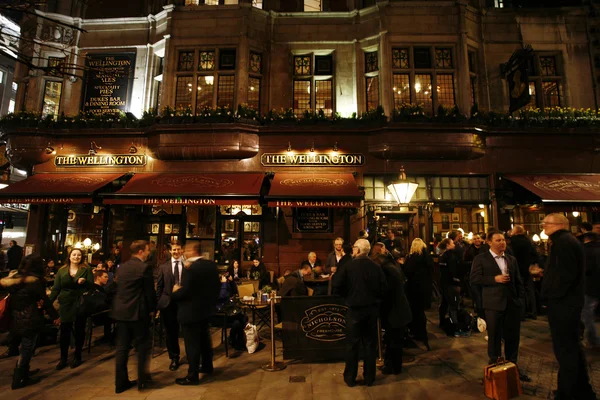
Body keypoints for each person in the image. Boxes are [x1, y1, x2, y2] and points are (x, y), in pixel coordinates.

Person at [541, 214, 596, 400]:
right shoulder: (567, 241)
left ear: (557, 225)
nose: (543, 225)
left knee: (566, 351)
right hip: (568, 303)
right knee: (572, 349)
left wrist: (550, 294)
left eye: (546, 223)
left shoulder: (563, 243)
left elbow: (565, 275)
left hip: (564, 305)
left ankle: (569, 393)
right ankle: (582, 390)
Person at [470, 231, 528, 381]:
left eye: (503, 240)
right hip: (493, 304)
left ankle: (512, 367)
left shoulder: (511, 259)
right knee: (494, 337)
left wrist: (520, 300)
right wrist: (494, 279)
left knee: (512, 337)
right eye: (498, 240)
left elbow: (518, 281)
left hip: (512, 304)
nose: (502, 242)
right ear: (489, 242)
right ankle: (495, 369)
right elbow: (475, 279)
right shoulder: (481, 259)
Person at [332, 238, 387, 387]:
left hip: (354, 310)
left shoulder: (349, 266)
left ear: (357, 249)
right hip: (371, 310)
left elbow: (336, 285)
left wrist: (347, 297)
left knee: (352, 344)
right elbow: (383, 288)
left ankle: (350, 377)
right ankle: (370, 377)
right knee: (370, 344)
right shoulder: (376, 267)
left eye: (354, 247)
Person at [1, 255, 60, 389]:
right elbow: (44, 300)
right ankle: (19, 378)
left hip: (15, 318)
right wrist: (55, 316)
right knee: (27, 349)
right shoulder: (35, 281)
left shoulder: (14, 279)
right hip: (30, 318)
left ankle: (24, 372)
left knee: (24, 347)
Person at [171, 241, 220, 386]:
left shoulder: (191, 269)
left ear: (192, 251)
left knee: (192, 344)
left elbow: (186, 291)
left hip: (190, 313)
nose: (185, 252)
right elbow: (216, 287)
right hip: (206, 311)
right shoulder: (211, 265)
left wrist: (175, 292)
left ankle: (192, 376)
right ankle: (207, 366)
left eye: (186, 250)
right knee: (205, 339)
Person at [112, 240, 155, 394]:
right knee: (142, 346)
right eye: (148, 250)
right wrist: (152, 309)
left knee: (122, 348)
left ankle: (120, 383)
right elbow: (149, 293)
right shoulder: (144, 268)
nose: (149, 252)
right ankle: (142, 380)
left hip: (121, 312)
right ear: (141, 251)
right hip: (138, 312)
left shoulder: (122, 267)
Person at [49, 247, 93, 369]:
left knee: (79, 330)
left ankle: (77, 355)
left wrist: (85, 282)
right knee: (65, 330)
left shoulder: (86, 269)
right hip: (66, 303)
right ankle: (63, 358)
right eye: (74, 255)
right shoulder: (62, 271)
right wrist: (48, 303)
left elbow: (91, 286)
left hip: (79, 302)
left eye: (79, 255)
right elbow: (56, 288)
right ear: (69, 256)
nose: (76, 257)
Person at [375, 254, 411, 375]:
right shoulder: (392, 268)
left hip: (395, 312)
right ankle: (393, 366)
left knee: (394, 341)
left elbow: (387, 292)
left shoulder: (387, 271)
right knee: (394, 340)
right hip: (399, 311)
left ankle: (393, 367)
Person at [156, 240, 184, 371]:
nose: (176, 252)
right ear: (170, 251)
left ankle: (192, 355)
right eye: (174, 250)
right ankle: (174, 357)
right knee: (171, 333)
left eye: (178, 249)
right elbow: (159, 287)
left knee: (187, 331)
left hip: (184, 303)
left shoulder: (187, 266)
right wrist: (159, 304)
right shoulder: (163, 267)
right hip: (168, 304)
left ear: (182, 250)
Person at [402, 238, 433, 350]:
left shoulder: (412, 258)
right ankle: (422, 333)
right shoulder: (427, 258)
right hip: (425, 289)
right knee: (420, 312)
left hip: (414, 288)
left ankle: (417, 332)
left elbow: (407, 271)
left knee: (415, 311)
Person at [437, 238, 468, 337]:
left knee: (445, 303)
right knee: (453, 305)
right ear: (447, 245)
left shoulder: (442, 256)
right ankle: (455, 327)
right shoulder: (450, 256)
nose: (454, 245)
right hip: (451, 284)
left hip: (444, 283)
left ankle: (442, 322)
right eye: (452, 243)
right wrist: (457, 281)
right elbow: (452, 270)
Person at [509, 225, 539, 320]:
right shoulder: (528, 241)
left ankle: (521, 314)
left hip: (517, 269)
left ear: (516, 232)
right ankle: (533, 312)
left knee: (519, 292)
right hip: (528, 269)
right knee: (530, 291)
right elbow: (535, 254)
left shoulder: (512, 242)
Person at [582, 232, 600, 348]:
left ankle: (593, 340)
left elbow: (584, 269)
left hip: (591, 287)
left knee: (586, 314)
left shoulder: (586, 252)